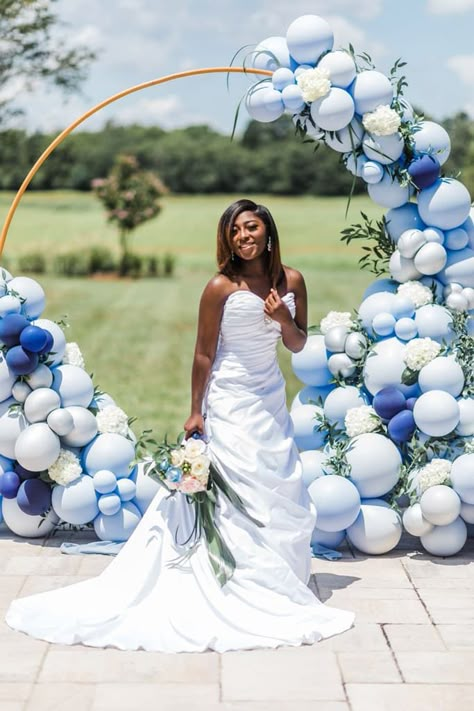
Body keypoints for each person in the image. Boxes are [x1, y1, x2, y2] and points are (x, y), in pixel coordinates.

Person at [5, 198, 354, 653]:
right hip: (228, 396)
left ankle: (274, 574)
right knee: (234, 479)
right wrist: (196, 410)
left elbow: (297, 343)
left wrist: (283, 318)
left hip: (269, 396)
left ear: (268, 231)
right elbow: (204, 353)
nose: (244, 237)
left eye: (252, 228)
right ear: (227, 239)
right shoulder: (219, 287)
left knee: (275, 480)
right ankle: (227, 573)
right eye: (235, 231)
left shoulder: (292, 280)